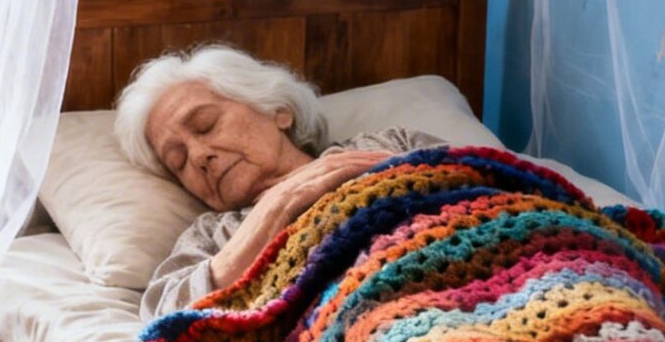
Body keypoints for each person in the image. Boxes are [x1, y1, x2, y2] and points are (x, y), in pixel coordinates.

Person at [113, 44, 440, 321]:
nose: (198, 156)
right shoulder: (213, 236)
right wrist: (277, 204)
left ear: (279, 111)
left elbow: (484, 190)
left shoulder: (386, 145)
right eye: (178, 161)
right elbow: (166, 319)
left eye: (206, 125)